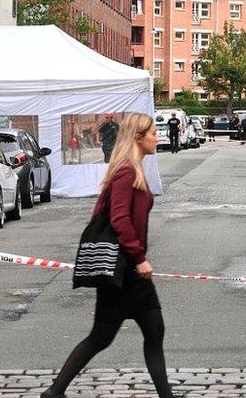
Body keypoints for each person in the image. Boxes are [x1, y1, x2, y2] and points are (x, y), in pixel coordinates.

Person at [41, 113, 180, 398]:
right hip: (122, 273)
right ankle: (54, 393)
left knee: (154, 331)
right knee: (100, 337)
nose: (158, 137)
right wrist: (139, 257)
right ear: (138, 137)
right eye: (154, 133)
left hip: (134, 273)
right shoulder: (126, 171)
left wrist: (138, 259)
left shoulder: (135, 170)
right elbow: (118, 219)